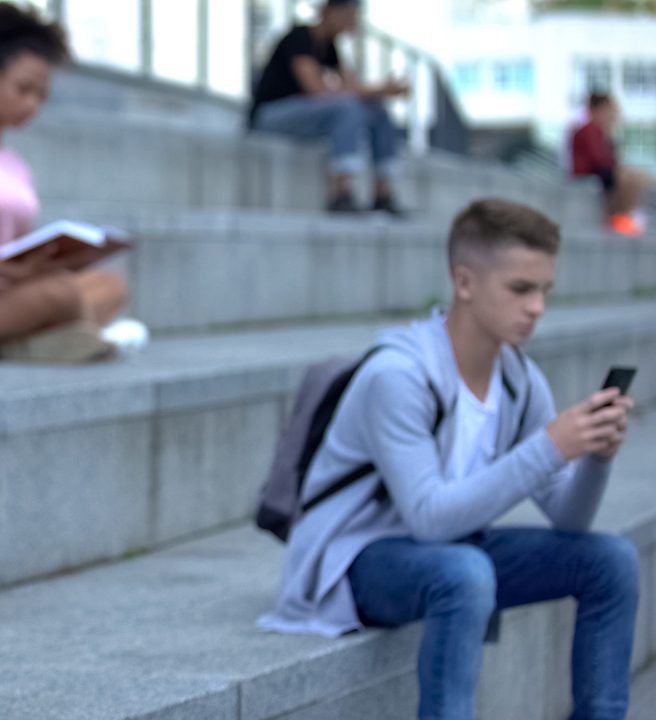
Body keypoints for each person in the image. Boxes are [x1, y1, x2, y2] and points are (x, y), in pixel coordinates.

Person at [259, 199, 639, 719]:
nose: (537, 308)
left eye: (544, 291)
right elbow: (430, 518)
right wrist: (550, 446)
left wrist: (595, 456)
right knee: (464, 572)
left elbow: (570, 519)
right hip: (354, 558)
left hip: (453, 551)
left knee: (610, 559)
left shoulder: (519, 379)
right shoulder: (398, 376)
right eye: (520, 289)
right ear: (464, 282)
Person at [0, 1, 137, 363]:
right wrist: (7, 270)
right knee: (61, 295)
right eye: (24, 89)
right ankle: (69, 335)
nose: (32, 104)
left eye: (41, 96)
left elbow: (18, 243)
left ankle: (44, 340)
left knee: (112, 286)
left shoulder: (15, 164)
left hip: (16, 290)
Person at [248, 0, 409, 214]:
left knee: (377, 111)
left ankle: (383, 193)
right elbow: (317, 90)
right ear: (328, 12)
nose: (350, 21)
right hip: (270, 116)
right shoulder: (299, 38)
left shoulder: (331, 48)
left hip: (302, 117)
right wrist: (380, 89)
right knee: (348, 108)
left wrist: (378, 93)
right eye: (347, 15)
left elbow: (352, 87)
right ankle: (341, 193)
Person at [571, 92, 650, 237]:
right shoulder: (588, 130)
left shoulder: (602, 131)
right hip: (592, 172)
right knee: (629, 176)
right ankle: (620, 216)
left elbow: (611, 158)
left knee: (637, 175)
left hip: (601, 170)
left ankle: (625, 215)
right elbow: (598, 159)